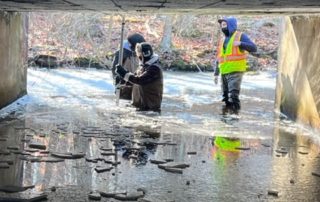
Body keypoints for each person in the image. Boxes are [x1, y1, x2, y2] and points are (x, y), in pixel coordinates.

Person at [214, 17, 257, 114]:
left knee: (233, 96)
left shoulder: (240, 36)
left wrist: (240, 43)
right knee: (225, 97)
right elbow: (219, 58)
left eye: (224, 25)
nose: (222, 27)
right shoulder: (222, 40)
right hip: (224, 72)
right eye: (221, 25)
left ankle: (234, 118)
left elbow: (254, 48)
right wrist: (216, 74)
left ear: (231, 25)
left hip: (236, 71)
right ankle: (225, 119)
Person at [115, 42, 163, 112]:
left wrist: (124, 73)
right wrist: (122, 80)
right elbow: (133, 81)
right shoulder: (143, 66)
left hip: (150, 108)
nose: (138, 56)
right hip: (140, 106)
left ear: (144, 54)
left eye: (139, 54)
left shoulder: (154, 68)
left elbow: (140, 80)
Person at [112, 33, 146, 100]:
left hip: (136, 85)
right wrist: (118, 80)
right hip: (124, 87)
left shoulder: (139, 53)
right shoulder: (121, 53)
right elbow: (114, 69)